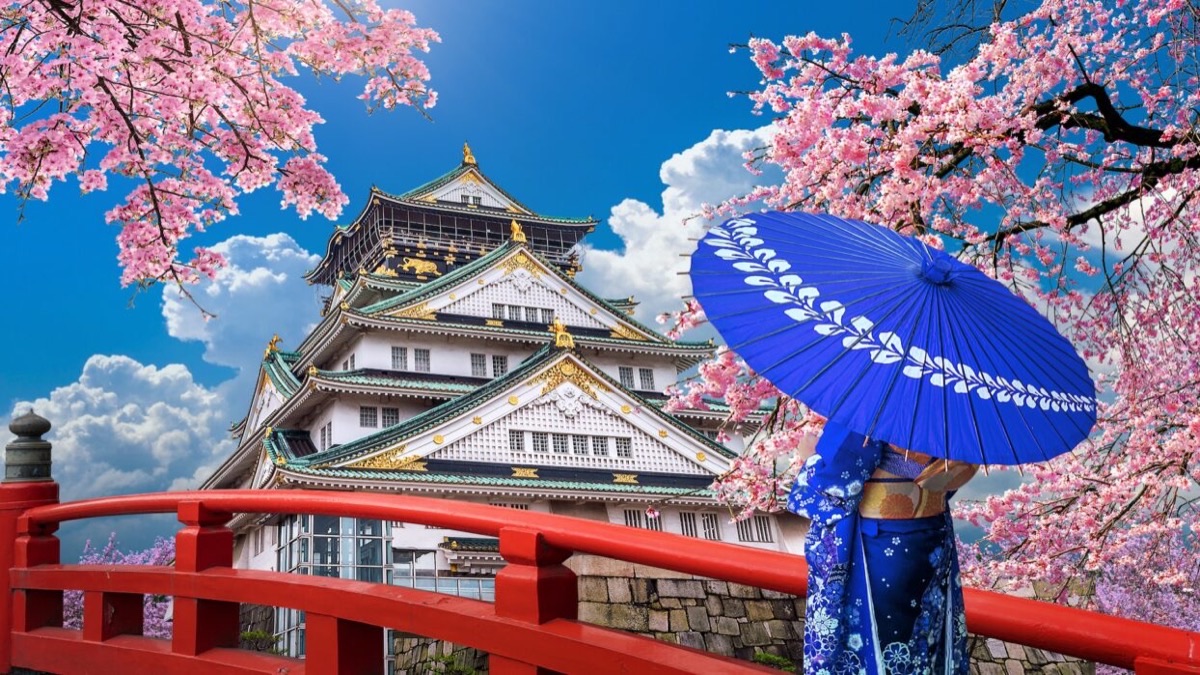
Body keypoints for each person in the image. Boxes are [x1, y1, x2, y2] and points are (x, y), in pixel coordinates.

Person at [788, 420, 979, 674]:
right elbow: (945, 481)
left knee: (878, 643)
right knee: (921, 643)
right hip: (931, 539)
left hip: (881, 543)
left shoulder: (879, 398)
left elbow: (838, 479)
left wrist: (810, 457)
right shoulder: (948, 406)